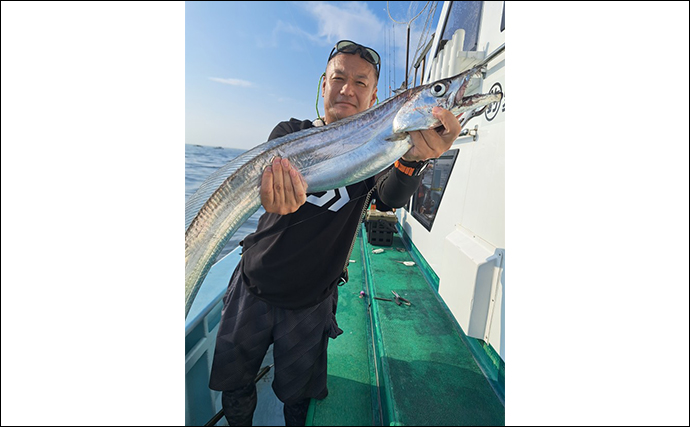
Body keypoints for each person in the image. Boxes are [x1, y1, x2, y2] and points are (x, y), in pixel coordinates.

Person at [208, 39, 463, 426]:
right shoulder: (290, 132)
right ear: (322, 84)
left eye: (361, 83)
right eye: (338, 78)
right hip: (253, 284)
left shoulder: (382, 148)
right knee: (235, 386)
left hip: (312, 300)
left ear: (375, 95)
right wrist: (269, 198)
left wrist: (415, 160)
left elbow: (389, 196)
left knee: (299, 399)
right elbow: (258, 190)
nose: (348, 89)